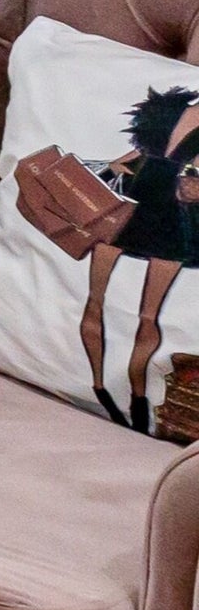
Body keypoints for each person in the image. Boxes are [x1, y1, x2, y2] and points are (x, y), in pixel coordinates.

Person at [80, 85, 199, 429]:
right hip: (128, 207)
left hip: (174, 219)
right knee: (95, 302)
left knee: (148, 317)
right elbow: (139, 152)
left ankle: (137, 394)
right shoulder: (168, 107)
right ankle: (100, 387)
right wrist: (113, 166)